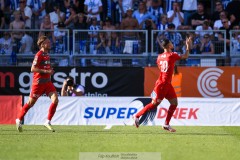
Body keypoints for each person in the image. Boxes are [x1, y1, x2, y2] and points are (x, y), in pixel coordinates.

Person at [133, 36, 192, 132]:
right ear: (169, 45)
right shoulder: (172, 55)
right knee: (154, 104)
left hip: (166, 83)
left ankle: (166, 124)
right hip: (163, 84)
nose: (173, 44)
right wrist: (188, 46)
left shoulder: (159, 57)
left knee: (174, 103)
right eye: (171, 43)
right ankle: (137, 116)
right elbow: (185, 56)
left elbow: (161, 69)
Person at [16, 35, 59, 132]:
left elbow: (45, 67)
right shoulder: (38, 55)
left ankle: (47, 121)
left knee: (55, 99)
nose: (50, 43)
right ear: (43, 44)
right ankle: (18, 119)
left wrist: (49, 70)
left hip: (47, 83)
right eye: (48, 42)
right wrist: (46, 71)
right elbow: (33, 69)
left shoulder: (47, 55)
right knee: (30, 103)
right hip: (38, 83)